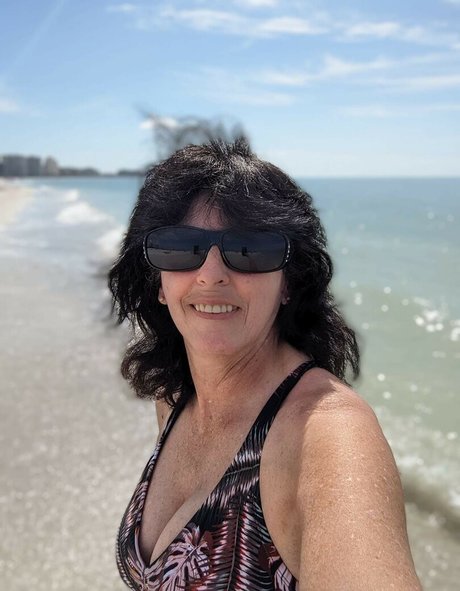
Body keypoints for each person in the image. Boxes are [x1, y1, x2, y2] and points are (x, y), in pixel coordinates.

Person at [109, 140, 421, 590]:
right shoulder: (175, 397)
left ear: (289, 282)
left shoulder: (327, 434)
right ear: (158, 282)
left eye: (248, 250)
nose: (211, 274)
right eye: (180, 247)